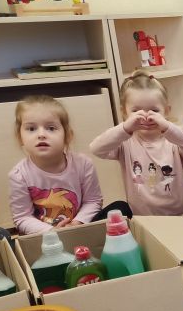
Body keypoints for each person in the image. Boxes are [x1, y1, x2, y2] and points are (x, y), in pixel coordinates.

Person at [9, 95, 130, 235]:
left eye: (51, 128)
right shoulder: (19, 175)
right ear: (20, 137)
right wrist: (52, 230)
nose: (41, 134)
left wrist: (76, 223)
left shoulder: (83, 164)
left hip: (81, 228)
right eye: (31, 129)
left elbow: (93, 201)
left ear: (67, 136)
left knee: (120, 208)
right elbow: (22, 217)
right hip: (46, 237)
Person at [90, 71, 183, 218]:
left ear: (166, 111)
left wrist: (168, 127)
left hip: (182, 214)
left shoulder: (173, 140)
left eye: (154, 110)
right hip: (144, 219)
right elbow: (96, 149)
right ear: (124, 112)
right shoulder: (125, 143)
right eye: (136, 111)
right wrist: (125, 128)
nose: (146, 116)